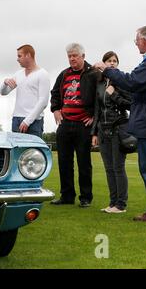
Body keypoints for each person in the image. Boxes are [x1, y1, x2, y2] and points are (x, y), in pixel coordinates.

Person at [94, 25, 146, 221]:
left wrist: (108, 70)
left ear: (145, 40)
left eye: (137, 40)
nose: (135, 43)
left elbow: (131, 82)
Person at [50, 43, 100, 207]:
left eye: (75, 56)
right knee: (64, 162)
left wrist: (93, 116)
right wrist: (56, 109)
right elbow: (55, 93)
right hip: (65, 123)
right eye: (69, 56)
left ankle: (86, 198)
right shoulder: (64, 74)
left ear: (83, 56)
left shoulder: (93, 74)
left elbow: (100, 98)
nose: (72, 59)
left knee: (84, 163)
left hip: (83, 125)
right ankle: (67, 196)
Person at [91, 51, 132, 214]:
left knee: (118, 167)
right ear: (104, 64)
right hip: (103, 129)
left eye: (115, 61)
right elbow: (97, 110)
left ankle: (121, 205)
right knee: (108, 168)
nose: (112, 63)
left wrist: (114, 94)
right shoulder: (99, 84)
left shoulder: (122, 83)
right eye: (109, 60)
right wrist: (94, 132)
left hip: (119, 128)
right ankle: (112, 202)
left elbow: (130, 104)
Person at [0, 44, 50, 138]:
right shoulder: (18, 74)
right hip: (17, 119)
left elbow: (43, 102)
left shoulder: (43, 74)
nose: (17, 59)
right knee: (16, 152)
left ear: (28, 55)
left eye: (19, 56)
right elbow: (3, 92)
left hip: (34, 121)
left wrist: (27, 121)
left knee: (33, 151)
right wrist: (5, 82)